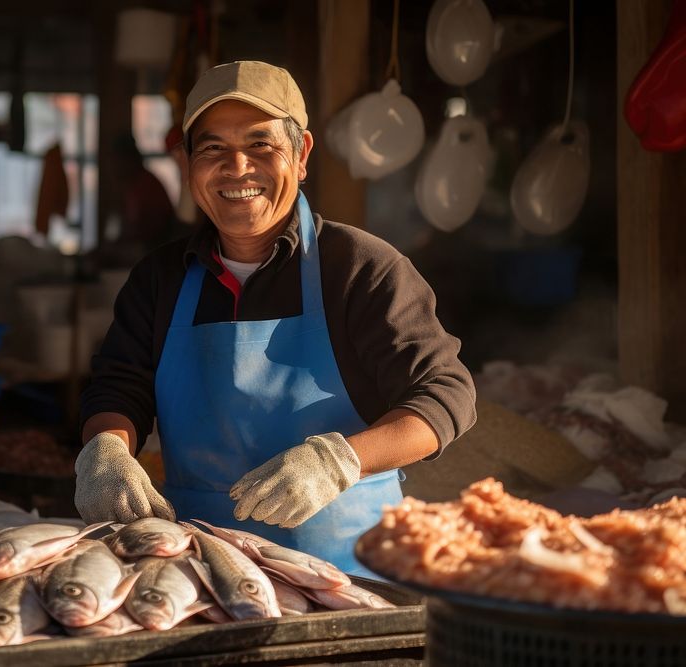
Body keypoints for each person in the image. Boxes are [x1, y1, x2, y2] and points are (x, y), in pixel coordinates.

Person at [75, 61, 476, 576]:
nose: (237, 167)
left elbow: (446, 394)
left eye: (261, 145)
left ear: (302, 153)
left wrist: (338, 461)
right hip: (196, 572)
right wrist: (105, 448)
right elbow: (118, 387)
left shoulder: (359, 267)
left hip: (347, 574)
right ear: (189, 163)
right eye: (213, 148)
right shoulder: (161, 278)